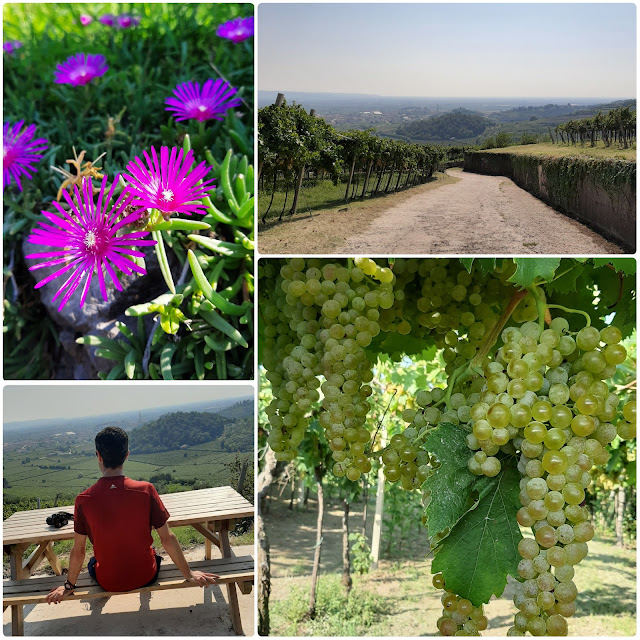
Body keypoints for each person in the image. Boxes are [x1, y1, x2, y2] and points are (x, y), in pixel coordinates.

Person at [46, 426, 218, 603]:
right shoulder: (146, 490)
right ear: (127, 455)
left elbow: (78, 550)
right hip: (146, 576)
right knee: (151, 552)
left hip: (108, 582)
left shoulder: (83, 500)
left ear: (98, 455)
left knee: (93, 561)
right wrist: (189, 573)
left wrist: (68, 586)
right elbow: (168, 538)